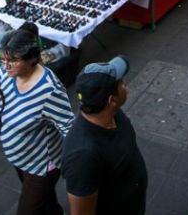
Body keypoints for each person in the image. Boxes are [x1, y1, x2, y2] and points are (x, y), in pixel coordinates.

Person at [0, 22, 75, 215]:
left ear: (31, 59)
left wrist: (76, 166)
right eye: (2, 60)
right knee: (46, 201)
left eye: (12, 61)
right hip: (21, 158)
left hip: (42, 165)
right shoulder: (7, 72)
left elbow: (68, 126)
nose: (5, 66)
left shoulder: (48, 90)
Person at [61, 56, 148, 215]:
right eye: (121, 82)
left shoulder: (112, 113)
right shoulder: (82, 156)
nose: (125, 85)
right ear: (112, 99)